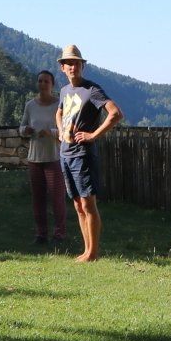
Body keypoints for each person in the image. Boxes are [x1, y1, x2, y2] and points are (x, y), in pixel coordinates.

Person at [56, 45, 124, 262]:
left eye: (76, 62)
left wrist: (93, 135)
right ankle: (86, 250)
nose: (72, 66)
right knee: (77, 204)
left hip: (83, 155)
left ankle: (93, 253)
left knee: (88, 203)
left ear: (82, 65)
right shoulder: (65, 91)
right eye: (69, 63)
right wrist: (60, 130)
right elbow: (59, 111)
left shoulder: (92, 90)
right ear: (62, 68)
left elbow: (115, 114)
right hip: (65, 153)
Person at [20, 69, 67, 246]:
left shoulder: (59, 106)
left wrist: (51, 132)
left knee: (57, 199)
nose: (42, 84)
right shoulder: (30, 105)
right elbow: (22, 126)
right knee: (37, 199)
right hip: (35, 158)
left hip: (54, 157)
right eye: (40, 81)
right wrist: (25, 130)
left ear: (52, 84)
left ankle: (59, 234)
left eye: (46, 81)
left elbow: (66, 129)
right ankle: (41, 234)